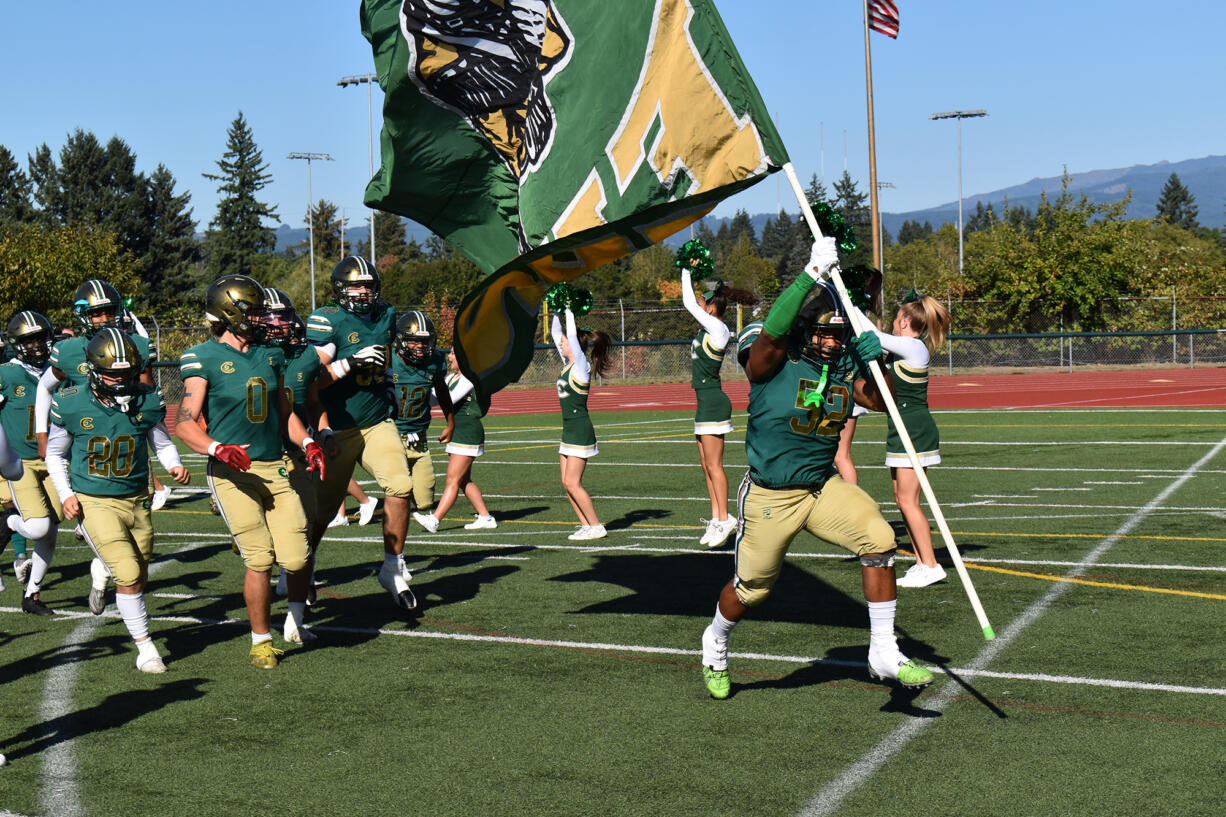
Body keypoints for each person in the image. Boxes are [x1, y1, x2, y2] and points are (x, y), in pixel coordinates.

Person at [699, 238, 934, 700]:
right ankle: (716, 640)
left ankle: (883, 650)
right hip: (771, 493)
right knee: (752, 591)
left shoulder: (846, 369)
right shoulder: (773, 363)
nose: (832, 340)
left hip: (821, 486)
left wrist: (880, 356)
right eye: (825, 331)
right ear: (806, 330)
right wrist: (810, 273)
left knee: (880, 538)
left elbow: (883, 400)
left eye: (839, 333)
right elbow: (768, 337)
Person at [177, 275, 325, 669]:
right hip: (231, 472)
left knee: (295, 559)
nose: (261, 318)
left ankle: (284, 610)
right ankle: (261, 641)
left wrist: (307, 441)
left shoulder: (271, 354)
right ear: (231, 313)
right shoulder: (201, 357)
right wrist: (217, 448)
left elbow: (284, 412)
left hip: (275, 465)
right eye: (254, 310)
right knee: (259, 559)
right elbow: (185, 422)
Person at [45, 329, 191, 672]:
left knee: (138, 574)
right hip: (94, 499)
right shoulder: (71, 401)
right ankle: (146, 648)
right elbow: (54, 454)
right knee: (127, 573)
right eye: (113, 373)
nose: (121, 380)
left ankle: (101, 570)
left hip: (138, 497)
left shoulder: (146, 399)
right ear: (94, 370)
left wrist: (174, 465)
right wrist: (66, 495)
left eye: (126, 373)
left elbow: (162, 442)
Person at [34, 280, 159, 612]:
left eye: (109, 311)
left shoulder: (136, 346)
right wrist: (42, 432)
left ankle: (102, 573)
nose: (104, 318)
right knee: (103, 526)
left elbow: (146, 398)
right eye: (97, 312)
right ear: (82, 315)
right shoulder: (70, 349)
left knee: (140, 545)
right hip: (86, 448)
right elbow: (46, 387)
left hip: (126, 448)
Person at [306, 256, 418, 610]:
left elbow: (389, 361)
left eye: (368, 286)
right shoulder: (326, 320)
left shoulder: (387, 314)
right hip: (336, 425)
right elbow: (311, 379)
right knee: (323, 512)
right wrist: (349, 363)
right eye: (356, 285)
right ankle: (302, 569)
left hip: (376, 420)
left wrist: (389, 387)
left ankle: (392, 566)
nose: (363, 292)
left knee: (401, 486)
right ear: (340, 288)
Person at [862, 291, 952, 588]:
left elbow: (872, 334)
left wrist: (850, 303)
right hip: (901, 428)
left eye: (896, 318)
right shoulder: (905, 348)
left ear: (902, 320)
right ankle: (920, 561)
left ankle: (931, 564)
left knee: (910, 502)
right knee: (902, 500)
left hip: (914, 430)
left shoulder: (914, 348)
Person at [678, 252, 746, 547]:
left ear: (711, 308)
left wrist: (684, 269)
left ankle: (725, 517)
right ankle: (717, 516)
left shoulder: (718, 329)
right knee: (706, 465)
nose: (699, 307)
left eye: (703, 304)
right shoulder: (706, 329)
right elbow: (693, 303)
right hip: (704, 402)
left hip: (714, 402)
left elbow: (687, 303)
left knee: (715, 465)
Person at [0, 312, 63, 615]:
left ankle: (32, 594)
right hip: (21, 460)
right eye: (29, 339)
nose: (37, 344)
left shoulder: (58, 371)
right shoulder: (5, 375)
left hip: (54, 458)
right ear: (16, 344)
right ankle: (7, 521)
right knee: (38, 527)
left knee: (54, 524)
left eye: (40, 337)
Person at [412, 350, 491, 533]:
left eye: (454, 353)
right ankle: (485, 516)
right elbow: (433, 399)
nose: (449, 356)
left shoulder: (470, 378)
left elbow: (450, 398)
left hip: (467, 431)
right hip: (458, 431)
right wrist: (417, 387)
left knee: (453, 479)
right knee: (464, 480)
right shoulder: (452, 378)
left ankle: (435, 520)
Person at [390, 311, 456, 528]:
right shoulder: (388, 360)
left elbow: (442, 390)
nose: (420, 346)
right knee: (399, 488)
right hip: (391, 434)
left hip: (419, 436)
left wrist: (450, 420)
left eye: (425, 341)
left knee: (426, 500)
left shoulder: (434, 361)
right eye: (414, 341)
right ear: (401, 340)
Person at [550, 306, 610, 541]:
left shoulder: (580, 367)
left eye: (566, 342)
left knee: (573, 482)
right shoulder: (567, 363)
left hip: (580, 429)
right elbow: (556, 334)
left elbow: (571, 336)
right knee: (566, 483)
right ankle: (585, 525)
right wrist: (556, 311)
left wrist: (568, 309)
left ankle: (596, 526)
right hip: (569, 430)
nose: (562, 343)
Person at [831, 265, 884, 486]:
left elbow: (878, 341)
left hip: (844, 386)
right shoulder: (844, 310)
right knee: (836, 454)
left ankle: (854, 503)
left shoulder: (853, 313)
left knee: (839, 454)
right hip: (840, 385)